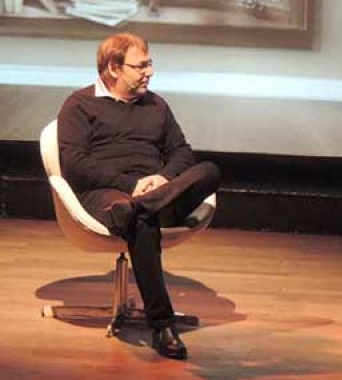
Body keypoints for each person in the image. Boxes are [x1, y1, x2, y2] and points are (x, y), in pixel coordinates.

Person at [58, 32, 220, 360]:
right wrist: (129, 185)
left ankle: (142, 208)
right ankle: (162, 327)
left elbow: (181, 152)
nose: (150, 72)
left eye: (150, 64)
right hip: (108, 195)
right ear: (113, 68)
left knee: (209, 171)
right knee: (140, 220)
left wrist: (162, 179)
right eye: (141, 66)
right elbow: (74, 163)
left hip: (159, 194)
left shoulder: (156, 105)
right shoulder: (80, 105)